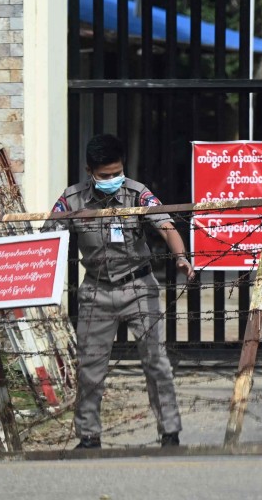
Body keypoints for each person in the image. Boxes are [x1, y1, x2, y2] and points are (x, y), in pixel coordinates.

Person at [49, 134, 193, 449]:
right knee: (90, 367)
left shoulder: (137, 194)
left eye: (117, 173)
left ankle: (170, 432)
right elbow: (48, 237)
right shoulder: (72, 200)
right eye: (105, 176)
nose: (112, 180)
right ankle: (88, 436)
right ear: (89, 171)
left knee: (156, 361)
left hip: (139, 286)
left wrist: (181, 256)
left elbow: (166, 225)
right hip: (96, 290)